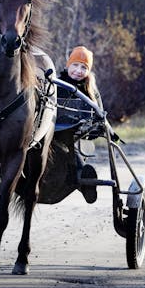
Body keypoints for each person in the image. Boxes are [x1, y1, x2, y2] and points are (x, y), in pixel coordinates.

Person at [57, 46, 101, 204]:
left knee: (70, 148)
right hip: (53, 129)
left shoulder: (89, 90)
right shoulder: (57, 84)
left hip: (75, 134)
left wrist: (97, 127)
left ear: (88, 71)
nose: (78, 70)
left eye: (84, 67)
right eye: (75, 65)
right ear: (68, 65)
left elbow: (98, 114)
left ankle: (85, 181)